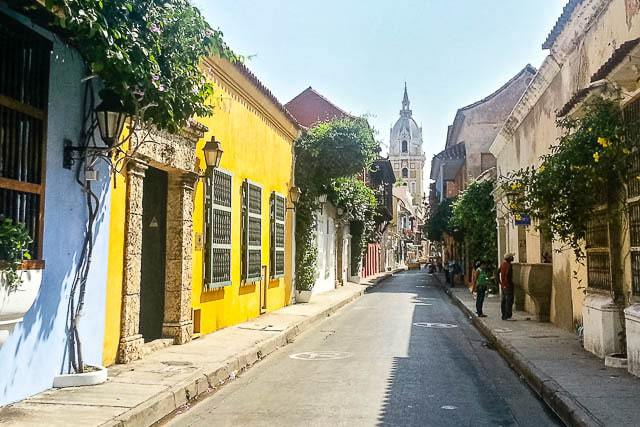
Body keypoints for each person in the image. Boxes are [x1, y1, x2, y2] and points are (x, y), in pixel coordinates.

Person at [500, 253, 515, 320]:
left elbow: (497, 272)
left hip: (503, 285)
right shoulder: (509, 265)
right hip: (508, 285)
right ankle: (508, 315)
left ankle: (503, 315)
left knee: (504, 300)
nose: (513, 258)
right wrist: (509, 283)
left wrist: (500, 282)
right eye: (511, 257)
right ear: (509, 258)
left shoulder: (502, 264)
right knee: (509, 301)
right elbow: (508, 274)